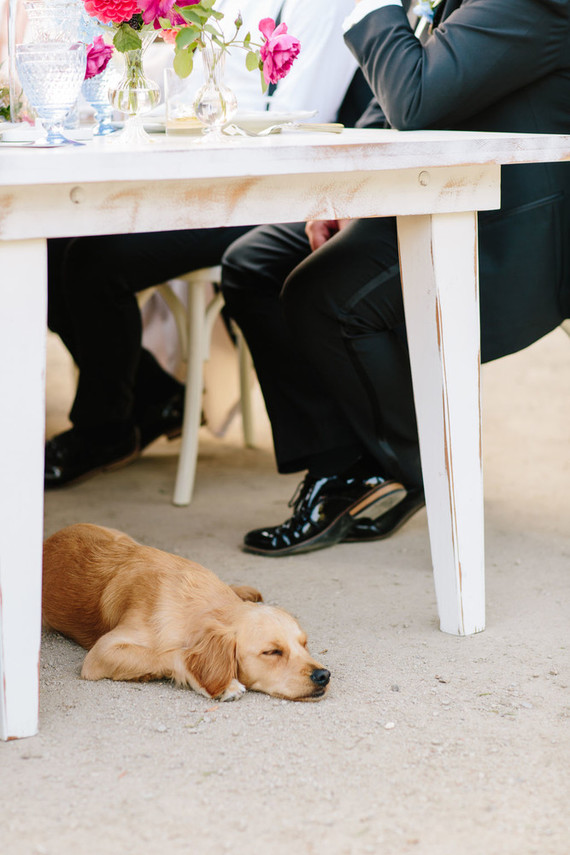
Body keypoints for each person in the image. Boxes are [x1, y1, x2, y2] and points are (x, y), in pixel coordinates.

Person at [220, 0, 570, 556]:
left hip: (503, 231)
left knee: (322, 292)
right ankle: (344, 468)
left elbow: (416, 96)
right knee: (254, 264)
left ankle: (420, 467)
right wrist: (345, 194)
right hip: (425, 197)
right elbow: (392, 104)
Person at [45, 0, 362, 488]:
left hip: (266, 195)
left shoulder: (323, 5)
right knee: (49, 248)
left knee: (93, 261)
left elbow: (298, 123)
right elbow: (180, 91)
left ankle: (103, 429)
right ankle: (153, 398)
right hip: (193, 178)